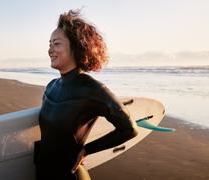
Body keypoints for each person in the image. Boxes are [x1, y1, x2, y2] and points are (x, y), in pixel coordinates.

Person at [35, 9, 138, 180]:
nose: (50, 50)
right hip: (43, 173)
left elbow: (129, 129)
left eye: (57, 44)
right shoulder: (51, 87)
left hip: (70, 175)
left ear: (76, 47)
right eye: (49, 44)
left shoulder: (92, 89)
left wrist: (88, 149)